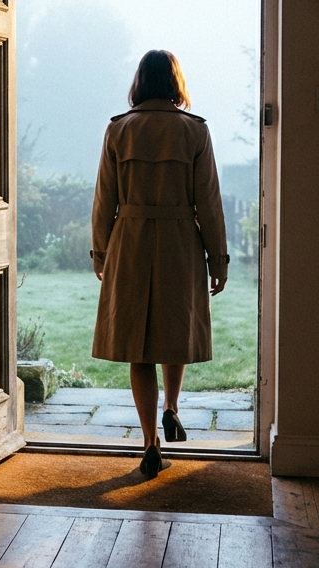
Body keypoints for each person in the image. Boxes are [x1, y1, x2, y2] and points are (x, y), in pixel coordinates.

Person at [90, 49, 230, 478]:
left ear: (140, 82)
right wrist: (217, 259)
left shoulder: (119, 131)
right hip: (178, 242)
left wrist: (101, 252)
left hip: (130, 242)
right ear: (174, 83)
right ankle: (172, 407)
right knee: (174, 330)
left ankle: (150, 442)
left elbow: (104, 201)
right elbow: (208, 203)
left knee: (138, 344)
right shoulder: (194, 131)